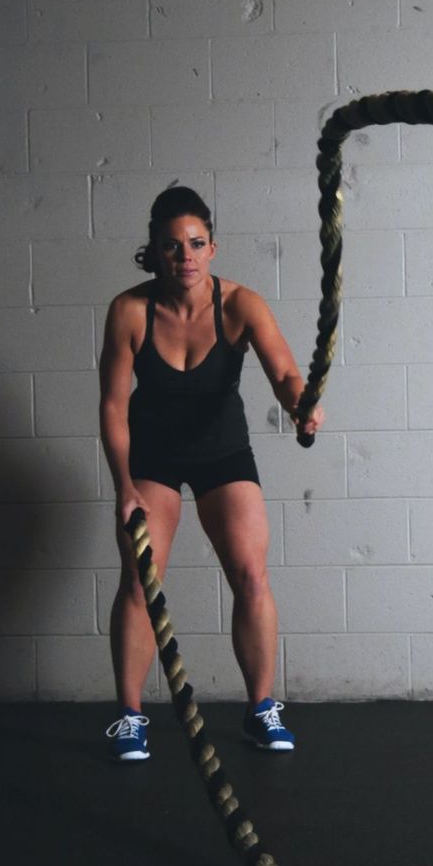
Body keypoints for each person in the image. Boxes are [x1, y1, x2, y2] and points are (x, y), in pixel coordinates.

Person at [97, 185, 324, 761]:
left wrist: (302, 403)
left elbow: (285, 375)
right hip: (153, 458)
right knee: (140, 581)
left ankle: (261, 708)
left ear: (213, 247)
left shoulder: (241, 304)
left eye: (196, 243)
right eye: (172, 246)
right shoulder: (129, 310)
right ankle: (129, 716)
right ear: (155, 250)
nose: (186, 257)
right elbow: (113, 406)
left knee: (252, 574)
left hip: (223, 454)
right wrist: (124, 487)